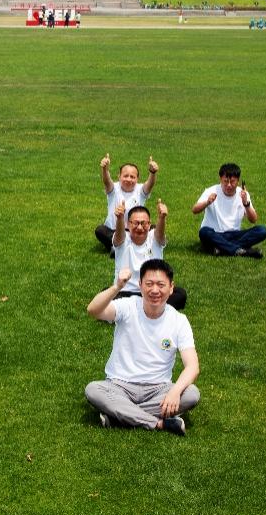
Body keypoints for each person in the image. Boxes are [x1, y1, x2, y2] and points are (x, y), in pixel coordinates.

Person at [85, 260, 199, 435]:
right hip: (120, 386)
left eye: (161, 285)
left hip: (158, 389)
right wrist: (117, 286)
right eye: (149, 284)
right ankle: (158, 423)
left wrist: (175, 392)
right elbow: (93, 311)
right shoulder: (127, 306)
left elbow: (192, 366)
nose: (155, 290)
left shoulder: (179, 321)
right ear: (140, 285)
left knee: (191, 393)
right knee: (93, 389)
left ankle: (119, 416)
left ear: (171, 288)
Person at [112, 201, 187, 309]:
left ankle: (140, 308)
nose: (139, 227)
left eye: (143, 223)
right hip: (126, 292)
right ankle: (150, 308)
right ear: (128, 224)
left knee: (180, 294)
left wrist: (162, 217)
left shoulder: (154, 238)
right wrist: (119, 218)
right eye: (135, 223)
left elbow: (160, 235)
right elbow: (119, 237)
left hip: (151, 292)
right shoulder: (123, 239)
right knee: (107, 294)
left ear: (149, 224)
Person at [192, 162, 266, 258]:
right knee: (204, 232)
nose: (228, 185)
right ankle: (242, 251)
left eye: (232, 182)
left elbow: (253, 219)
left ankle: (222, 249)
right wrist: (207, 202)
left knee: (262, 230)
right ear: (220, 179)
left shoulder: (243, 194)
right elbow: (194, 210)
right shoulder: (211, 191)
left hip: (234, 234)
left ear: (238, 181)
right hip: (215, 234)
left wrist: (246, 204)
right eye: (225, 181)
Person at [95, 154, 157, 252]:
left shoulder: (140, 189)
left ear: (137, 179)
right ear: (119, 177)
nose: (129, 179)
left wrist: (152, 172)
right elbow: (107, 182)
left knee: (155, 229)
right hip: (114, 230)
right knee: (100, 230)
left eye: (132, 177)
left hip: (135, 230)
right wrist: (105, 169)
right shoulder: (114, 188)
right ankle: (126, 245)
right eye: (125, 176)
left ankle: (117, 247)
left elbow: (150, 185)